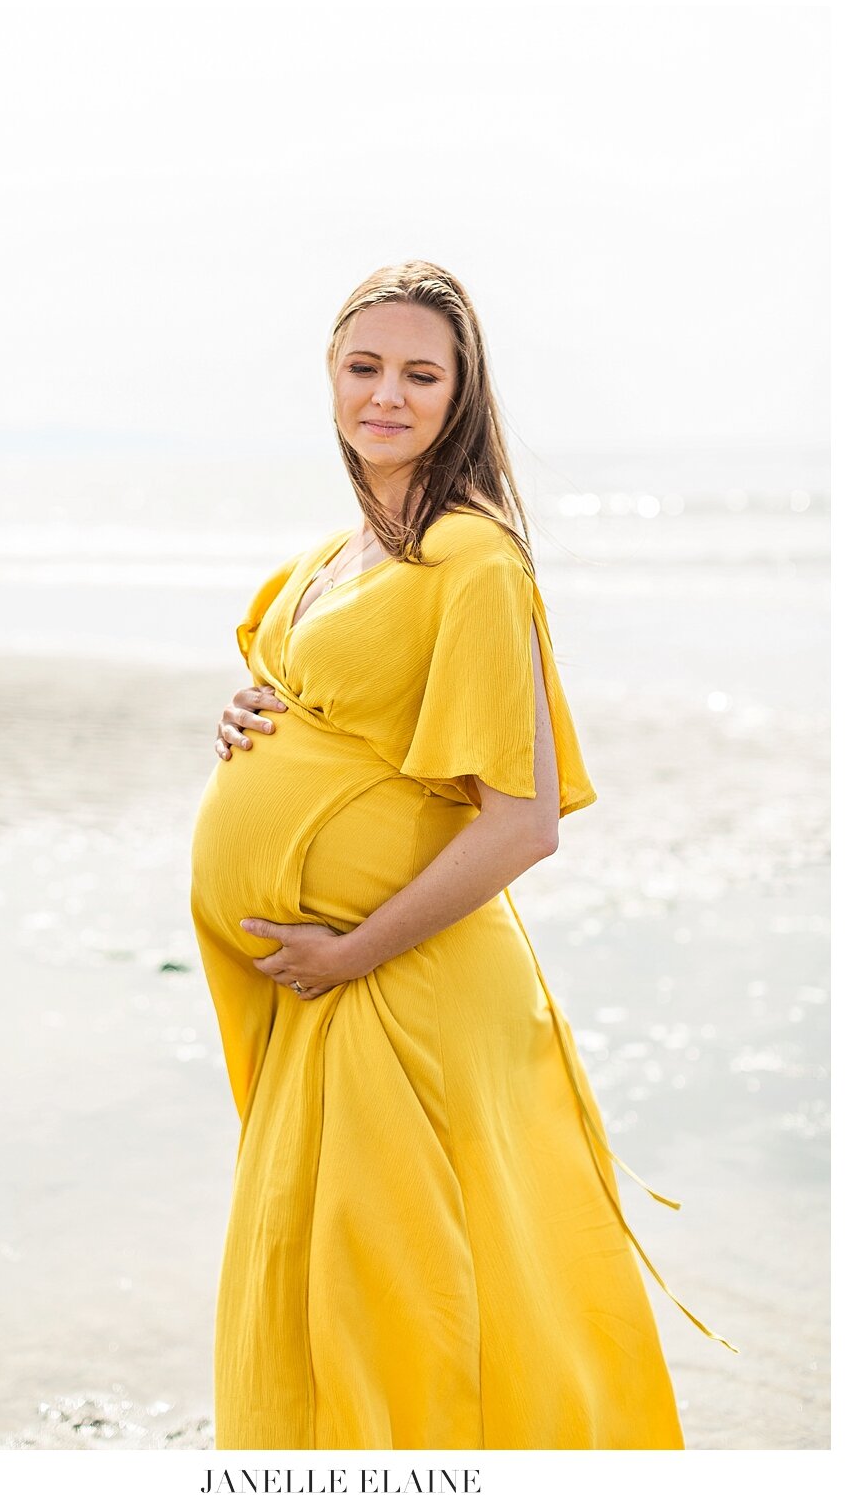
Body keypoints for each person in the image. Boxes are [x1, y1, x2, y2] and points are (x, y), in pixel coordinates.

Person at [189, 260, 737, 1451]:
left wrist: (350, 950)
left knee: (406, 1296)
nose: (386, 393)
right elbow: (348, 719)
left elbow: (521, 818)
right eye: (363, 365)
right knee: (320, 1279)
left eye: (418, 373)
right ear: (329, 378)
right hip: (332, 983)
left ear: (458, 394)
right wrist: (247, 712)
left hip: (404, 981)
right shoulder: (344, 553)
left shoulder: (473, 559)